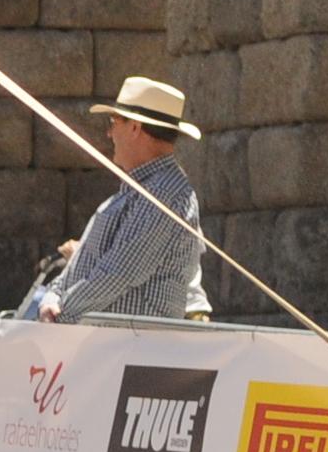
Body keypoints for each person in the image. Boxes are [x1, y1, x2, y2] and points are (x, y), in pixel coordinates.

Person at [20, 76, 207, 322]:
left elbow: (120, 273)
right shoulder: (142, 191)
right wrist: (52, 297)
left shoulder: (165, 194)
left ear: (135, 128)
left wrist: (60, 313)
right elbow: (87, 265)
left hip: (126, 343)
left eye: (114, 122)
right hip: (105, 339)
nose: (109, 133)